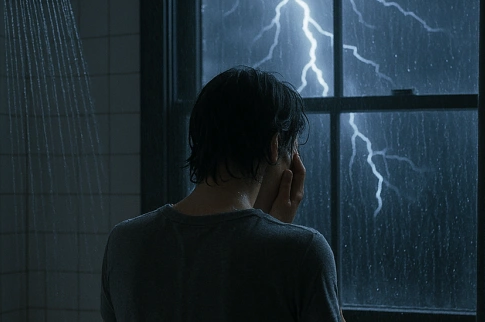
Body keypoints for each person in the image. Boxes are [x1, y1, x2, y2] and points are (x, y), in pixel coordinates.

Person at [100, 66, 342, 321]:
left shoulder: (124, 242)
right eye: (292, 154)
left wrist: (271, 231)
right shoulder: (303, 251)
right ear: (273, 147)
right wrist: (276, 234)